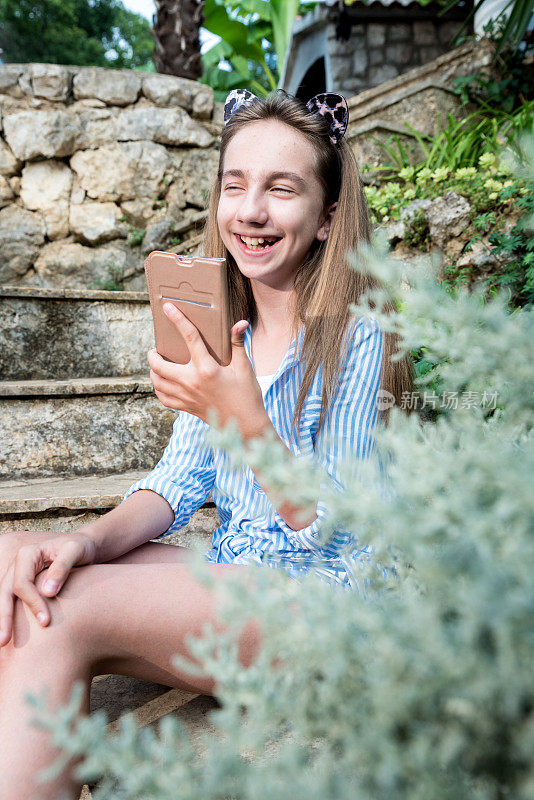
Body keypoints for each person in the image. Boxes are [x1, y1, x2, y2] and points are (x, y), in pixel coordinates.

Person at [0, 88, 414, 800]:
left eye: (282, 189)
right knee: (18, 561)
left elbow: (334, 525)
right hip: (241, 575)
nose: (250, 210)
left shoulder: (359, 334)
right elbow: (177, 480)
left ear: (326, 218)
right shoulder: (224, 329)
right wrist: (90, 541)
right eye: (235, 184)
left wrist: (247, 417)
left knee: (59, 607)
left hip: (332, 610)